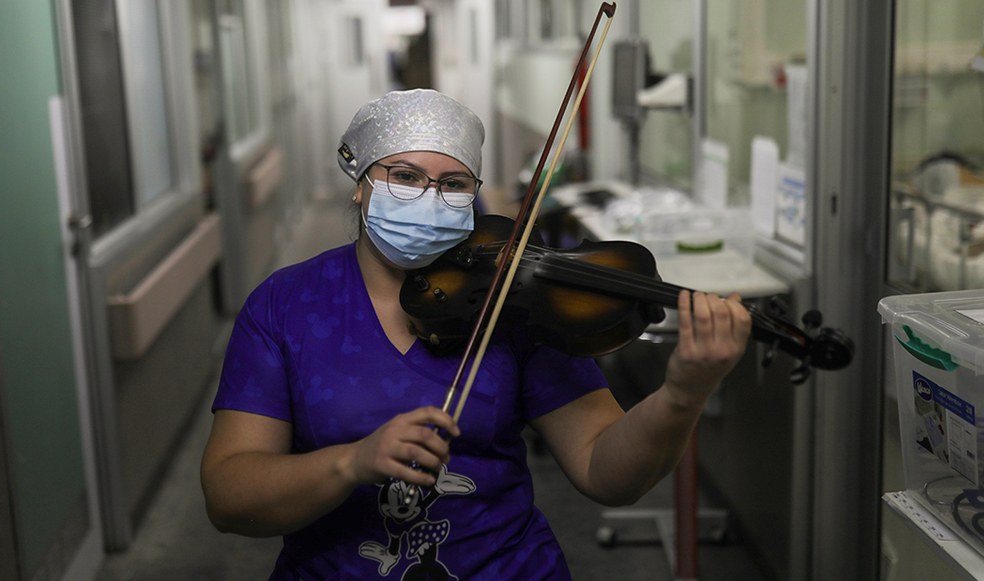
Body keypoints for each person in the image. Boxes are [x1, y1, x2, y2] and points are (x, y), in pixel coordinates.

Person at [201, 89, 752, 580]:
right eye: (405, 176)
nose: (429, 197)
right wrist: (350, 463)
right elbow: (228, 495)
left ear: (473, 197)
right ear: (361, 188)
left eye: (453, 184)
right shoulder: (285, 304)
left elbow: (605, 471)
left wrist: (682, 395)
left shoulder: (509, 300)